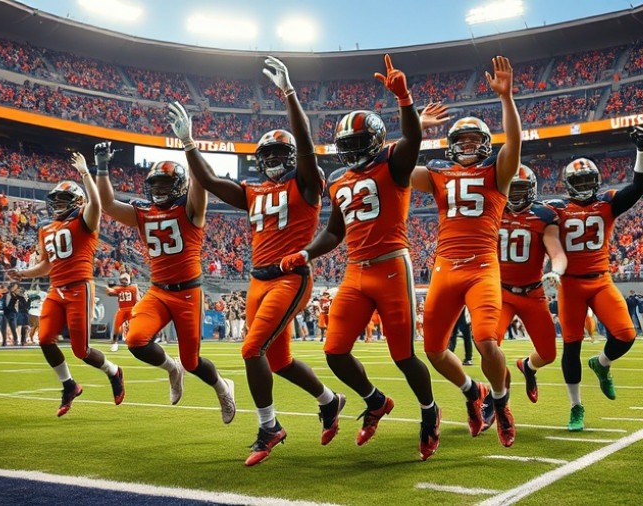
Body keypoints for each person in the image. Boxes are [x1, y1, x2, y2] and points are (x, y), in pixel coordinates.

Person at [173, 55, 343, 466]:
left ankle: (269, 426)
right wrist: (190, 145)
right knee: (279, 360)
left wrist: (289, 94)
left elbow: (304, 144)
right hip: (257, 280)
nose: (270, 160)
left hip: (290, 276)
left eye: (276, 153)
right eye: (265, 154)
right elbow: (211, 182)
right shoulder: (252, 192)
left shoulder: (306, 183)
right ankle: (329, 400)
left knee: (252, 349)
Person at [281, 54, 442, 460]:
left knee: (403, 354)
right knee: (334, 350)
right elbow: (335, 231)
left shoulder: (394, 163)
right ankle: (374, 400)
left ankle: (429, 411)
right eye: (346, 145)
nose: (351, 151)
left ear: (374, 140)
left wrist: (404, 99)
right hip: (356, 270)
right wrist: (306, 251)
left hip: (391, 265)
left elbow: (412, 140)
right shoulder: (338, 181)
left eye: (357, 143)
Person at [407, 55, 520, 448]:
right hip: (445, 266)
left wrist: (507, 99)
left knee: (488, 342)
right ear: (451, 146)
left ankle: (502, 403)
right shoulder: (438, 173)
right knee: (434, 350)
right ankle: (475, 393)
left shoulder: (496, 172)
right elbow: (393, 167)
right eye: (462, 141)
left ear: (486, 145)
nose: (469, 146)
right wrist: (415, 127)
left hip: (483, 266)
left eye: (475, 140)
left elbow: (515, 144)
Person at [96, 145, 235, 420]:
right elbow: (108, 204)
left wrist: (190, 146)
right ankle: (172, 368)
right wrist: (102, 167)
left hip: (187, 293)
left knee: (192, 362)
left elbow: (200, 187)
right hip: (158, 291)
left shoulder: (190, 209)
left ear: (180, 185)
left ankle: (223, 388)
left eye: (165, 183)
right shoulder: (143, 212)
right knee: (135, 340)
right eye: (155, 184)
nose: (158, 189)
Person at [7, 149, 125, 417]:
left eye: (64, 199)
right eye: (56, 200)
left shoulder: (85, 219)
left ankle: (114, 371)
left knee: (81, 350)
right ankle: (69, 384)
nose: (58, 204)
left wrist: (85, 173)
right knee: (45, 338)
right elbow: (47, 264)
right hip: (55, 289)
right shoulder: (46, 228)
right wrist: (24, 274)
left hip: (79, 286)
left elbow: (96, 204)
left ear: (77, 201)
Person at [550, 125, 643, 432]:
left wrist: (641, 150)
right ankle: (575, 406)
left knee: (626, 334)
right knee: (571, 348)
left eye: (587, 180)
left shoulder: (607, 202)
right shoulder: (555, 209)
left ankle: (602, 364)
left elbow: (639, 185)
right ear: (567, 184)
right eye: (577, 180)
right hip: (570, 285)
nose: (583, 185)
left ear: (596, 181)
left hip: (600, 280)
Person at [498, 164, 568, 404]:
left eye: (520, 189)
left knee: (548, 354)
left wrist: (555, 272)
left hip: (533, 292)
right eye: (511, 189)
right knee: (486, 344)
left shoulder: (543, 215)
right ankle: (498, 394)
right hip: (500, 292)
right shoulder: (492, 211)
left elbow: (557, 253)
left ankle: (528, 366)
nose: (515, 194)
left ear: (531, 189)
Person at [105, 273, 138, 352]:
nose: (124, 281)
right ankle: (114, 343)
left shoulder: (133, 288)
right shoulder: (119, 288)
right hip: (122, 309)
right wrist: (108, 289)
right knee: (117, 327)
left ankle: (136, 343)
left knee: (135, 327)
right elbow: (110, 293)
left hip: (131, 310)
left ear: (129, 280)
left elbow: (137, 299)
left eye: (126, 279)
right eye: (123, 280)